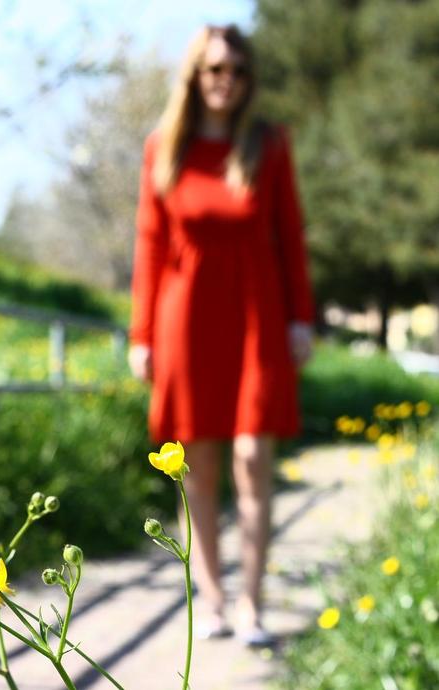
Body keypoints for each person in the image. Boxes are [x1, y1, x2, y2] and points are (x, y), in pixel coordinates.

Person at [128, 24, 314, 646]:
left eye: (235, 68)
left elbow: (290, 237)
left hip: (256, 315)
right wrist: (142, 333)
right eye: (213, 69)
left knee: (252, 457)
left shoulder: (269, 145)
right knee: (198, 467)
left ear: (247, 77)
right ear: (194, 76)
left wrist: (300, 318)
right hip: (186, 317)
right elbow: (150, 245)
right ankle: (210, 598)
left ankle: (250, 605)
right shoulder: (165, 147)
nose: (224, 79)